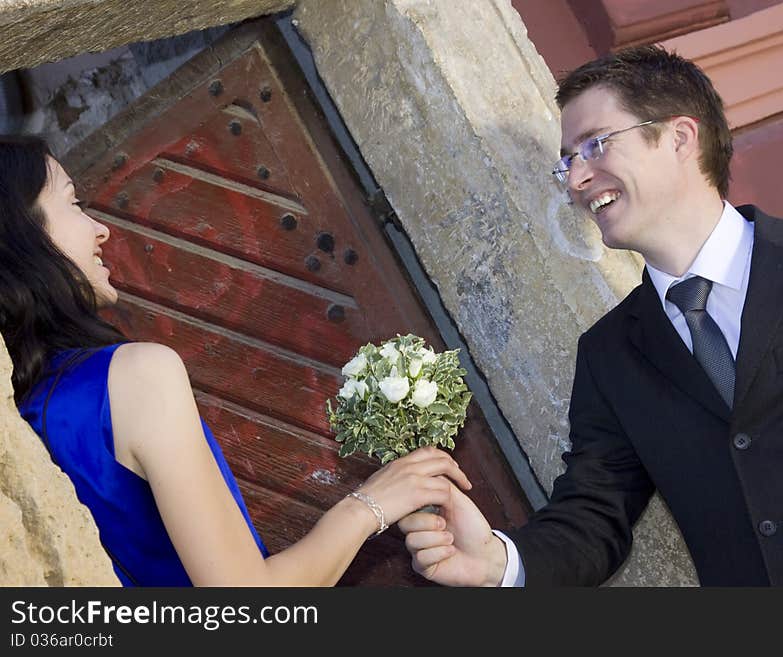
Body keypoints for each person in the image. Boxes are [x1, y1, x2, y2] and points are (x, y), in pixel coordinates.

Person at [400, 45, 783, 586]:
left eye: (596, 145)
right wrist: (497, 561)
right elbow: (593, 518)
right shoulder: (609, 355)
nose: (576, 178)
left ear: (679, 138)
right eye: (568, 160)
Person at [0, 134, 471, 586]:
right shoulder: (136, 376)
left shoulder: (25, 413)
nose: (100, 228)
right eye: (74, 203)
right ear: (21, 235)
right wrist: (373, 502)